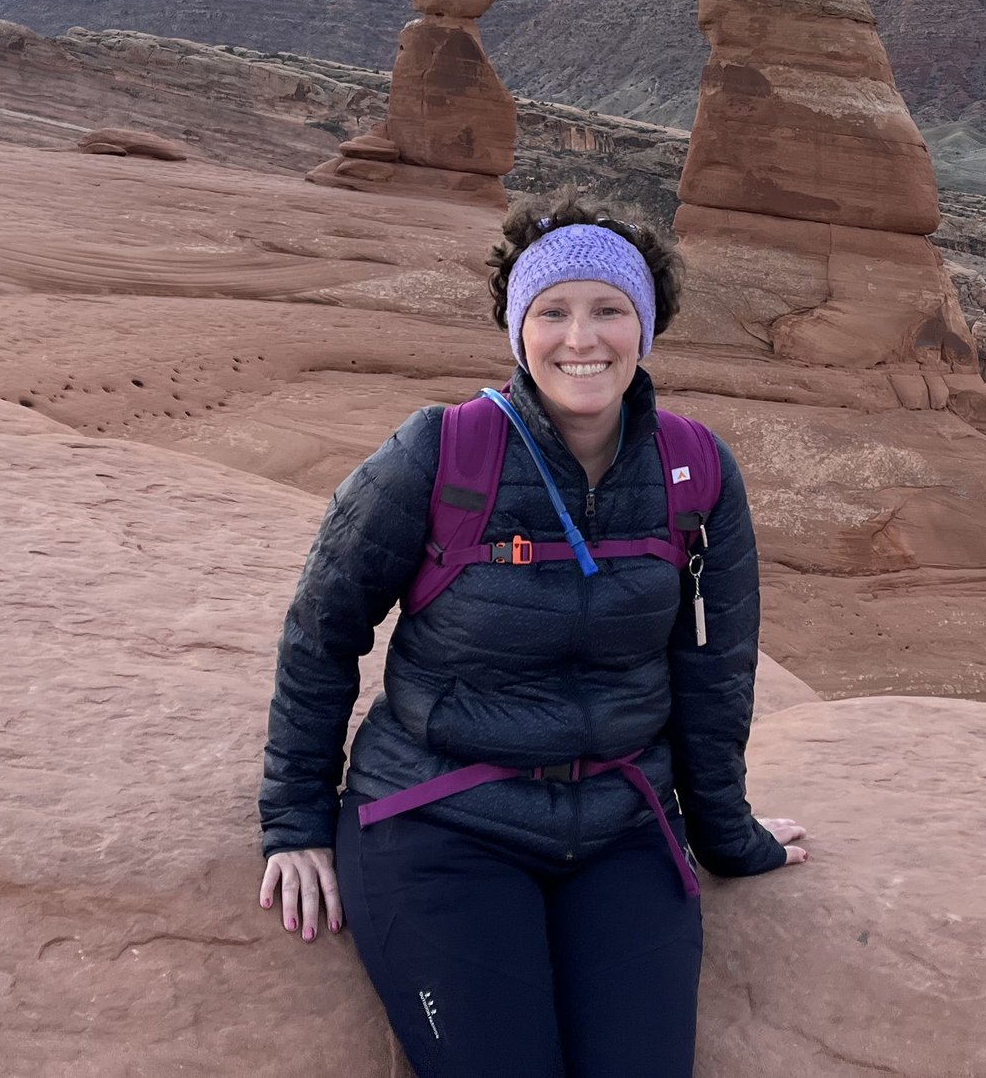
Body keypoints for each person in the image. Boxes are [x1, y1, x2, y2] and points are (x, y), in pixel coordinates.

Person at [258, 197, 808, 1078]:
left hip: (621, 824)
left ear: (645, 325)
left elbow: (714, 672)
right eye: (552, 310)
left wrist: (727, 832)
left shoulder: (696, 470)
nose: (580, 338)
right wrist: (294, 821)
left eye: (609, 309)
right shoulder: (440, 452)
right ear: (517, 328)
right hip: (440, 820)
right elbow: (321, 632)